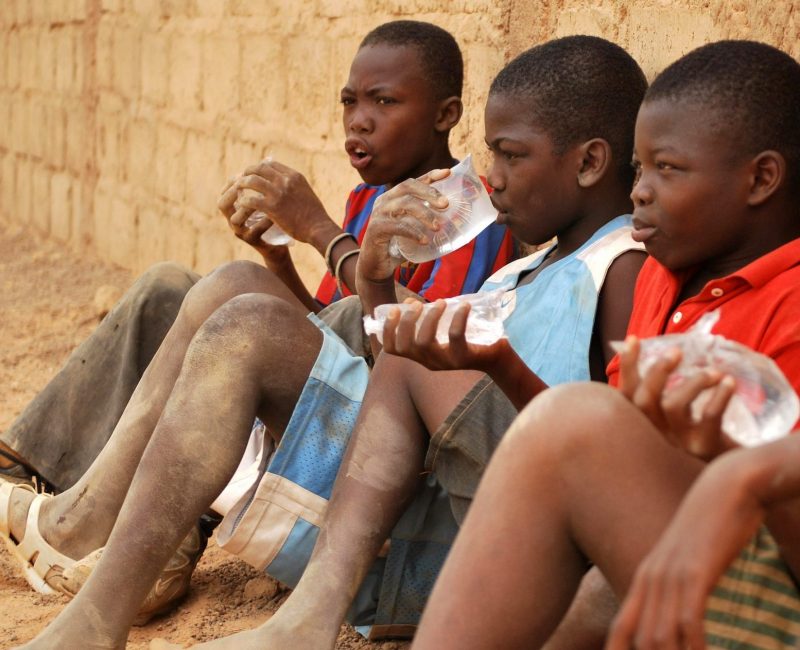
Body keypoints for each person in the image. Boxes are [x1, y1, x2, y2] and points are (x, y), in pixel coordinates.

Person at [23, 34, 652, 650]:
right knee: (240, 289)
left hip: (484, 532)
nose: (494, 177)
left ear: (589, 163)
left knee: (267, 330)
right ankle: (91, 567)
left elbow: (610, 452)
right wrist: (372, 276)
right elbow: (397, 374)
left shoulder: (620, 267)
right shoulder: (527, 270)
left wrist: (423, 329)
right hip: (415, 485)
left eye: (511, 156)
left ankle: (225, 613)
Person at [0, 20, 514, 493]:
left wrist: (319, 230)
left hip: (373, 426)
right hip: (318, 375)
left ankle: (138, 498)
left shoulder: (466, 214)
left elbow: (401, 346)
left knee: (217, 310)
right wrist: (276, 261)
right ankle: (33, 464)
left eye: (384, 101)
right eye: (349, 102)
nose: (359, 121)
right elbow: (327, 323)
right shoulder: (369, 200)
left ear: (445, 115)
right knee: (167, 287)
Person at [410, 39, 800, 650]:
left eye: (667, 169)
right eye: (640, 170)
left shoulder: (788, 305)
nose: (639, 191)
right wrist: (499, 363)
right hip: (664, 566)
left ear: (761, 179)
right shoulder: (663, 282)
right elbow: (595, 445)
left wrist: (734, 468)